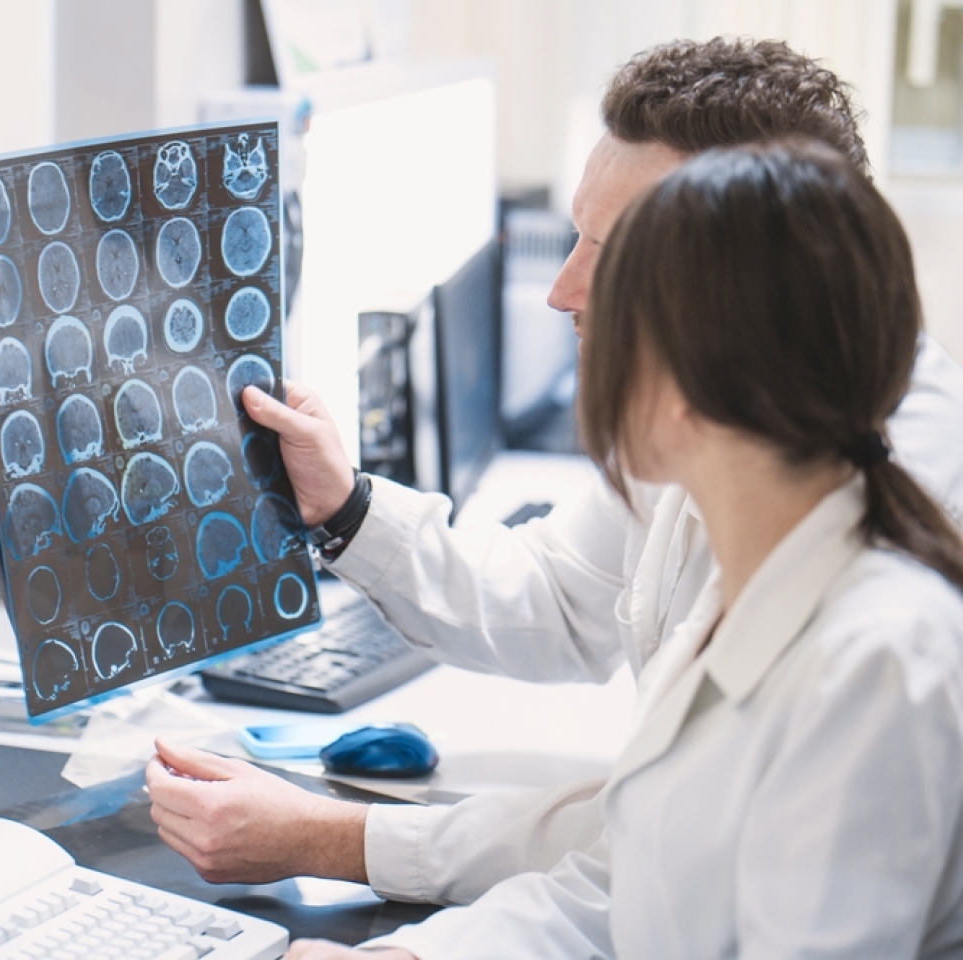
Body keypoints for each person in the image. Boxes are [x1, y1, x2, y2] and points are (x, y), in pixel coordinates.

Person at [146, 36, 963, 907]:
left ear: (744, 290)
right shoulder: (732, 426)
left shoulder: (878, 598)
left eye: (608, 252)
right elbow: (566, 605)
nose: (561, 290)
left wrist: (338, 841)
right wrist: (346, 508)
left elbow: (656, 871)